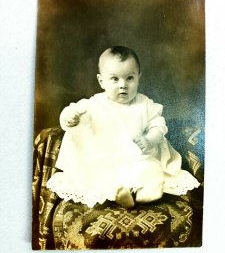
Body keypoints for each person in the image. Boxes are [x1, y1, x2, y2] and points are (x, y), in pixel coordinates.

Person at [47, 46, 200, 208]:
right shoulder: (95, 104)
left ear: (138, 78)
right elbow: (72, 112)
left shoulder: (145, 104)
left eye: (129, 78)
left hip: (137, 158)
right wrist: (69, 118)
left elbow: (159, 127)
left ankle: (146, 192)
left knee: (152, 168)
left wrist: (149, 140)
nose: (123, 85)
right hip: (107, 159)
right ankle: (121, 195)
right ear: (101, 81)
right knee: (101, 175)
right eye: (115, 79)